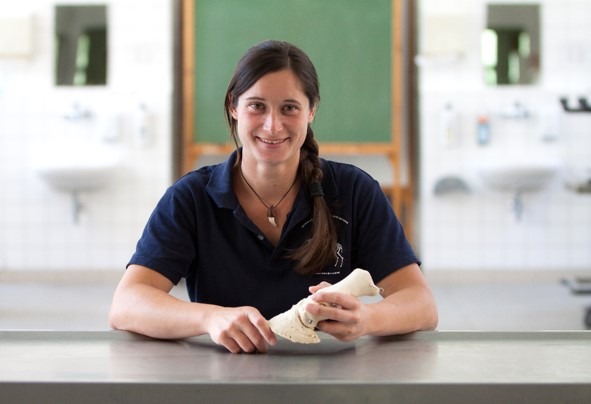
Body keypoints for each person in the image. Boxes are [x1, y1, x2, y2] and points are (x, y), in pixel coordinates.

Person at [109, 40, 438, 353]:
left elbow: (421, 304)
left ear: (311, 111)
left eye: (289, 108)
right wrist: (209, 318)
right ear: (234, 106)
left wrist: (366, 319)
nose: (272, 126)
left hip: (331, 379)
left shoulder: (355, 191)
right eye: (257, 106)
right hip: (224, 376)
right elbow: (127, 304)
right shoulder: (191, 198)